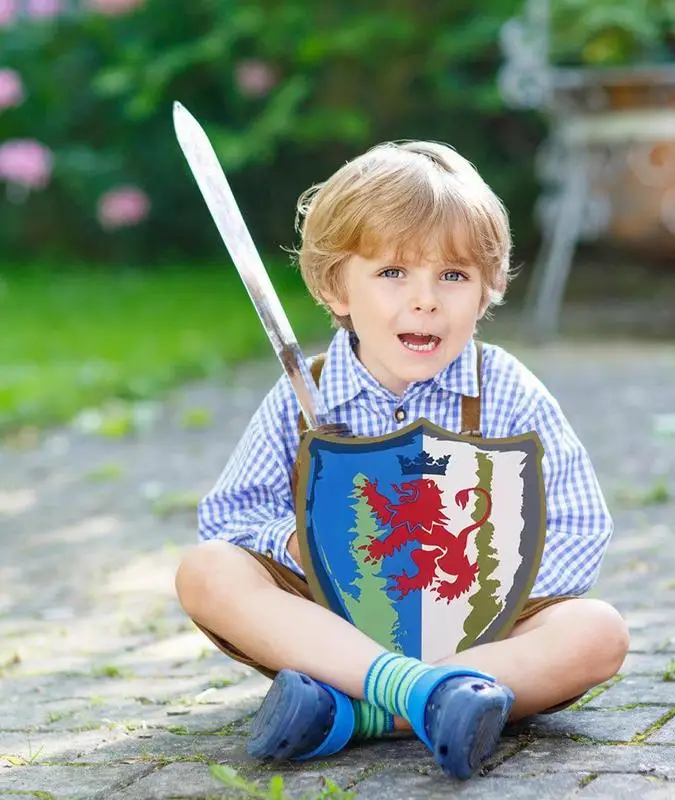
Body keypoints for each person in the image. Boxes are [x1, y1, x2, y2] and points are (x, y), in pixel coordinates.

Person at [175, 140, 629, 781]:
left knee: (597, 631)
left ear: (487, 288)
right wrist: (295, 544)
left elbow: (580, 522)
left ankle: (355, 713)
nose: (425, 300)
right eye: (393, 273)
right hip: (335, 623)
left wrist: (492, 586)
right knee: (207, 571)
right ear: (337, 286)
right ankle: (424, 695)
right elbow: (231, 516)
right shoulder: (305, 392)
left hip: (479, 630)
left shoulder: (502, 388)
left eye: (453, 275)